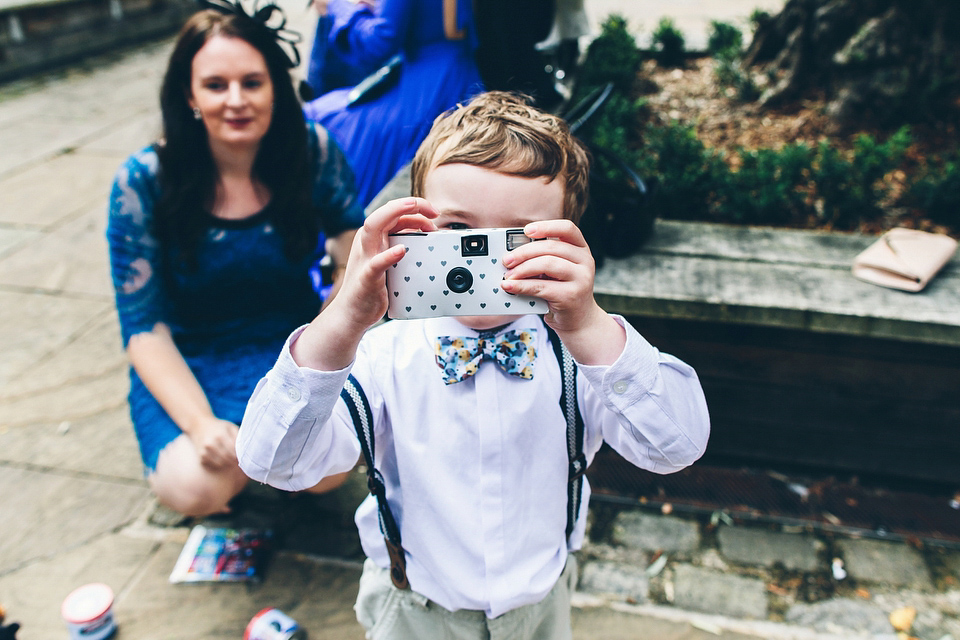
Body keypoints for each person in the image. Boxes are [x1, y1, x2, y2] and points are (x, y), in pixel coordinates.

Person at [236, 92, 710, 638]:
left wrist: (591, 327)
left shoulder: (587, 356)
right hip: (416, 611)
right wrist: (343, 316)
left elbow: (676, 446)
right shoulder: (379, 356)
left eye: (515, 238)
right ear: (414, 230)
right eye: (459, 232)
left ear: (564, 238)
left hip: (541, 605)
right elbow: (275, 462)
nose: (483, 262)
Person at [106, 4, 364, 517]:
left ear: (275, 87)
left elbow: (351, 239)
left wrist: (336, 305)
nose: (236, 100)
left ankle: (269, 457)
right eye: (216, 85)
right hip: (191, 354)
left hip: (286, 346)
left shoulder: (311, 150)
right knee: (194, 486)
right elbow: (142, 327)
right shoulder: (142, 181)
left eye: (252, 82)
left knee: (330, 470)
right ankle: (244, 459)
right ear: (189, 94)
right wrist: (200, 425)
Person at [302, 0, 484, 207]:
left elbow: (381, 41)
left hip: (423, 91)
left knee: (319, 115)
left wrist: (339, 6)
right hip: (461, 77)